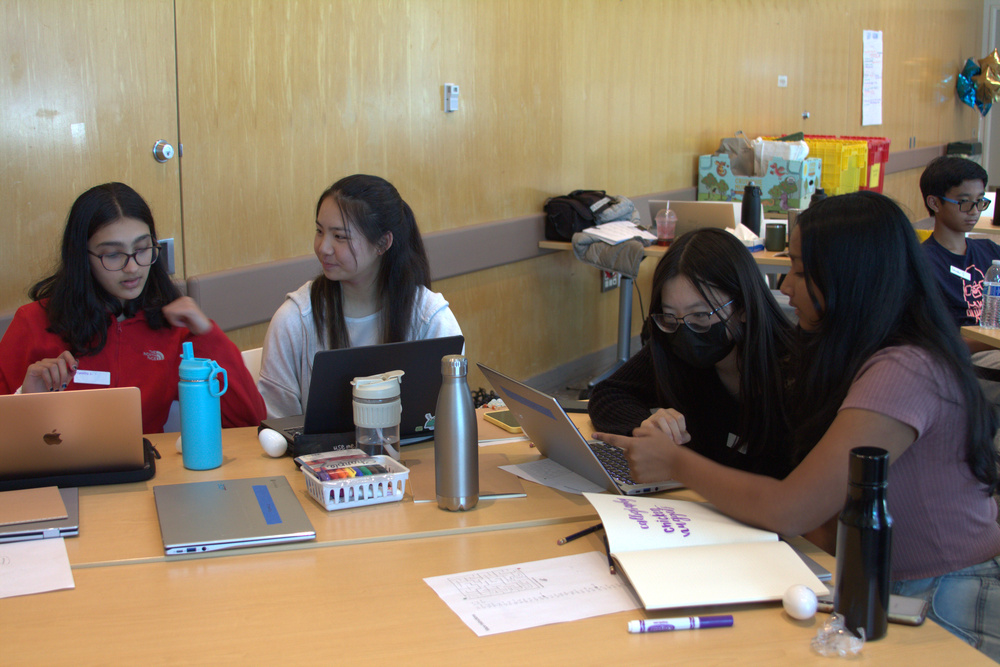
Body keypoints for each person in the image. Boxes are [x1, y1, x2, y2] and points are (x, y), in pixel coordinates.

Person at [596, 191, 1000, 660]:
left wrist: (676, 463)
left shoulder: (904, 370)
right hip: (872, 580)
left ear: (853, 279)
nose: (785, 287)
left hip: (941, 592)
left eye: (802, 271)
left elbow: (792, 508)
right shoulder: (860, 355)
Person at [0, 182, 266, 434]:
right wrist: (25, 395)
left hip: (146, 474)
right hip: (55, 475)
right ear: (82, 256)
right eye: (113, 254)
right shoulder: (34, 322)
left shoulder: (172, 326)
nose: (132, 267)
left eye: (142, 249)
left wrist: (208, 335)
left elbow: (249, 422)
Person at [587, 227, 795, 479]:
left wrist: (682, 465)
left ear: (743, 306)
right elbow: (609, 392)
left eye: (700, 316)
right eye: (670, 316)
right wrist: (647, 428)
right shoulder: (672, 344)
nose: (686, 330)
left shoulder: (794, 371)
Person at [258, 174, 463, 417]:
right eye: (319, 231)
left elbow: (448, 416)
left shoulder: (430, 318)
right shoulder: (294, 320)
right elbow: (277, 430)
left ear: (382, 243)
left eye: (339, 236)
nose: (323, 247)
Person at [918, 156, 1000, 401]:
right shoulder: (924, 264)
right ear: (934, 202)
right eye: (964, 203)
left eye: (980, 202)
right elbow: (935, 344)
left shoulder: (990, 251)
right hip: (963, 360)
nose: (974, 212)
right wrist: (990, 342)